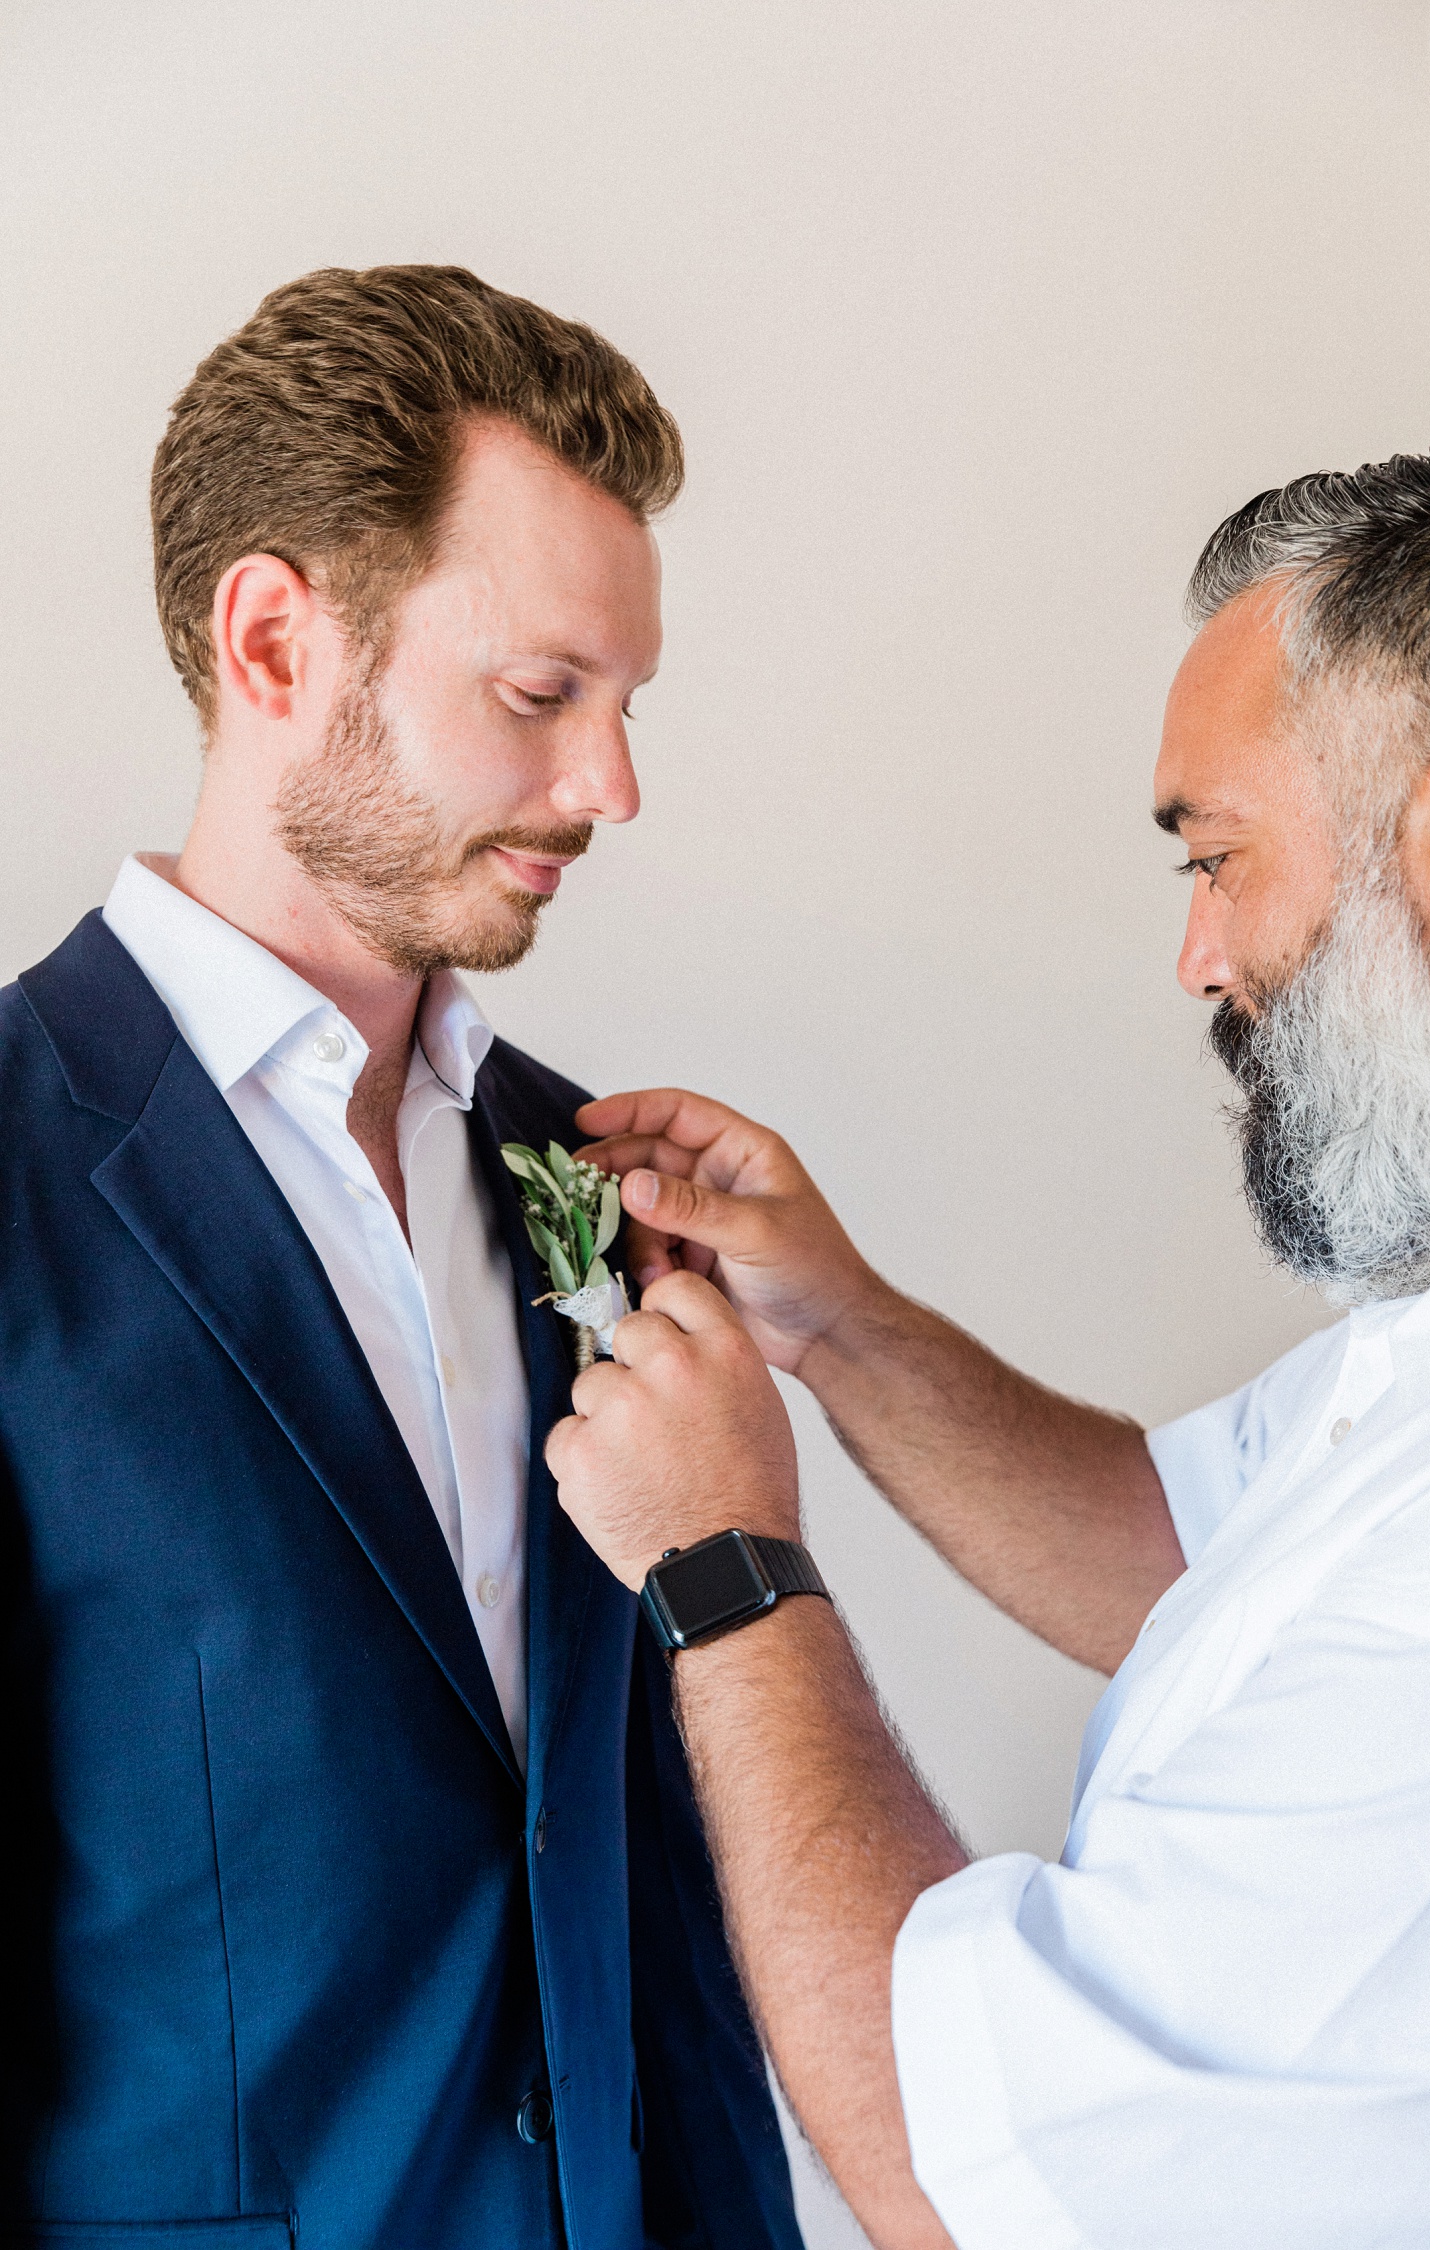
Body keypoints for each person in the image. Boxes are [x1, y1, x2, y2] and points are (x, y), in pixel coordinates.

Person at [546, 444, 1430, 2249]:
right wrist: (843, 1327)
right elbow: (1182, 1549)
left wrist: (727, 1567)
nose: (1198, 956)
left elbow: (956, 2163)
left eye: (1221, 859)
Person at [0, 266, 801, 2250]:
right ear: (274, 641)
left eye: (623, 706)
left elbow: (639, 1877)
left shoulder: (576, 1174)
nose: (613, 788)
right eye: (542, 695)